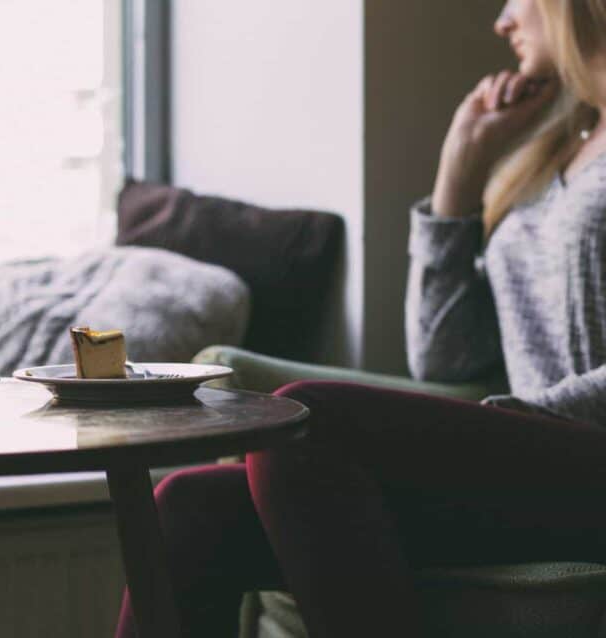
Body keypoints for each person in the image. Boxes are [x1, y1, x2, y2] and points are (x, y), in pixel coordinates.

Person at [115, 1, 606, 636]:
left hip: (579, 458)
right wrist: (458, 178)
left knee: (308, 419)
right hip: (535, 466)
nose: (503, 21)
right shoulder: (559, 147)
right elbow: (446, 356)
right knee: (186, 506)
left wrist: (512, 422)